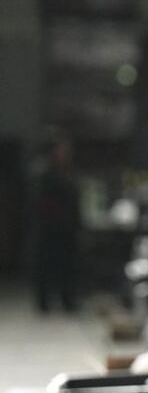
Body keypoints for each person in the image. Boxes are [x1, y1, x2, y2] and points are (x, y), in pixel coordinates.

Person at [30, 128, 81, 313]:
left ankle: (67, 300)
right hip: (50, 227)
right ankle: (44, 301)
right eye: (61, 149)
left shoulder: (68, 172)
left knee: (67, 265)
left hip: (67, 227)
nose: (64, 153)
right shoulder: (46, 174)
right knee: (46, 264)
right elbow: (41, 202)